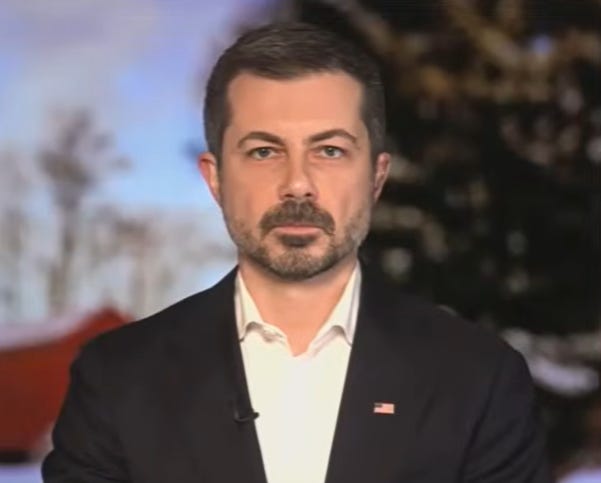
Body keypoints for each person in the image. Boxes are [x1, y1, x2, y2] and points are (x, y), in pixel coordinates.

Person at [42, 22, 551, 483]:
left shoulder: (478, 380)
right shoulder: (117, 380)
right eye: (264, 151)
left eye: (329, 150)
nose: (298, 183)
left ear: (376, 177)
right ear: (216, 179)